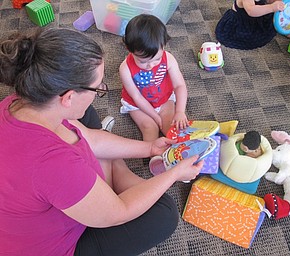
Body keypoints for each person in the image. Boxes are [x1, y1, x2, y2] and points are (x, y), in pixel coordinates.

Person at [0, 28, 204, 256]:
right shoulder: (53, 164)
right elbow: (119, 210)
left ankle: (109, 169)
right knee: (164, 213)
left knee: (85, 116)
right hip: (55, 247)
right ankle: (112, 171)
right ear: (67, 97)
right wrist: (174, 174)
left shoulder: (17, 103)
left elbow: (90, 138)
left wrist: (149, 147)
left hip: (41, 193)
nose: (100, 90)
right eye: (97, 88)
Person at [119, 14, 189, 141]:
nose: (150, 66)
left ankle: (180, 154)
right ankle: (154, 158)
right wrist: (154, 116)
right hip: (137, 105)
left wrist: (180, 111)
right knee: (150, 128)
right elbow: (136, 97)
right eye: (142, 61)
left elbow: (180, 85)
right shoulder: (125, 69)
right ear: (129, 49)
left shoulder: (169, 59)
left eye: (156, 59)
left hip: (164, 99)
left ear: (163, 46)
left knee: (172, 127)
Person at [215, 0, 286, 50]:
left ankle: (286, 26)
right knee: (254, 37)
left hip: (260, 16)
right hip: (242, 22)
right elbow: (251, 11)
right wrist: (272, 7)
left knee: (276, 13)